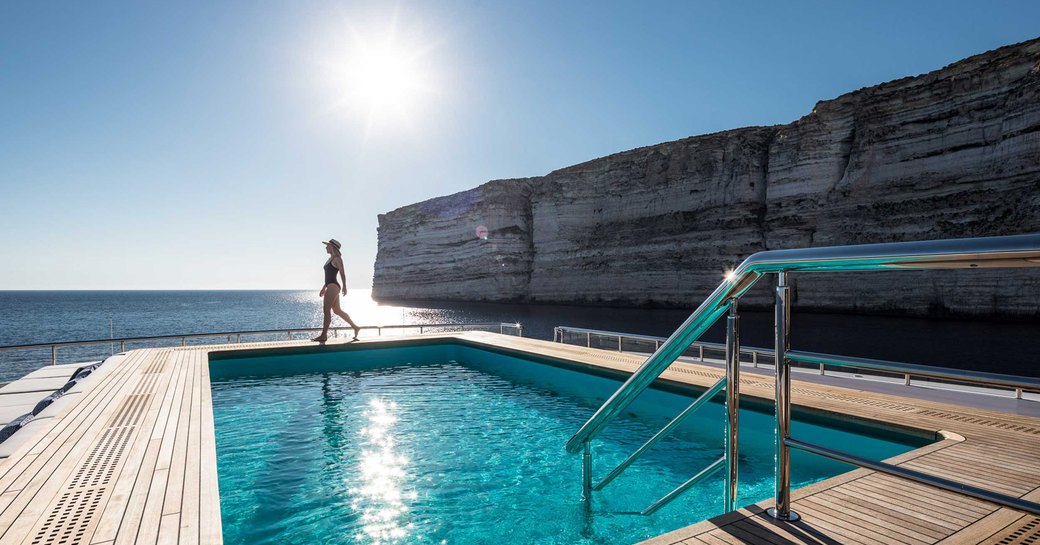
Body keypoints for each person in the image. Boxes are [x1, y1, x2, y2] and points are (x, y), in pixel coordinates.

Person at [312, 238, 361, 342]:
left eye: (327, 245)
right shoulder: (330, 259)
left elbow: (342, 273)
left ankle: (324, 335)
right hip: (330, 285)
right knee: (337, 310)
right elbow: (328, 275)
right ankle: (355, 327)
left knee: (326, 310)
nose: (326, 247)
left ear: (332, 247)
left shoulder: (337, 258)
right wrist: (323, 287)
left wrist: (344, 286)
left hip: (333, 286)